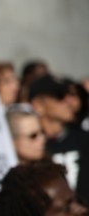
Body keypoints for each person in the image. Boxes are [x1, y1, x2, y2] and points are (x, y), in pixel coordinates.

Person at [29, 74, 89, 202]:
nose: (69, 101)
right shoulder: (31, 146)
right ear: (38, 105)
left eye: (70, 95)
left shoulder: (85, 139)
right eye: (60, 95)